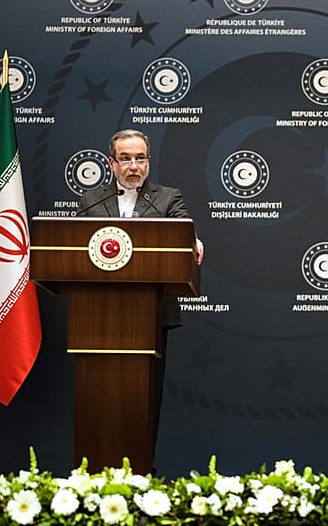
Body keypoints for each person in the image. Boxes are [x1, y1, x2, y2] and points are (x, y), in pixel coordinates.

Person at [77, 128, 204, 456]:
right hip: (96, 318)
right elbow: (74, 250)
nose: (134, 166)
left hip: (151, 315)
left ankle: (143, 468)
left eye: (140, 158)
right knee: (97, 398)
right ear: (112, 163)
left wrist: (193, 241)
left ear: (148, 161)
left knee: (145, 398)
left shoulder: (168, 197)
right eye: (126, 159)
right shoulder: (92, 200)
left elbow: (182, 232)